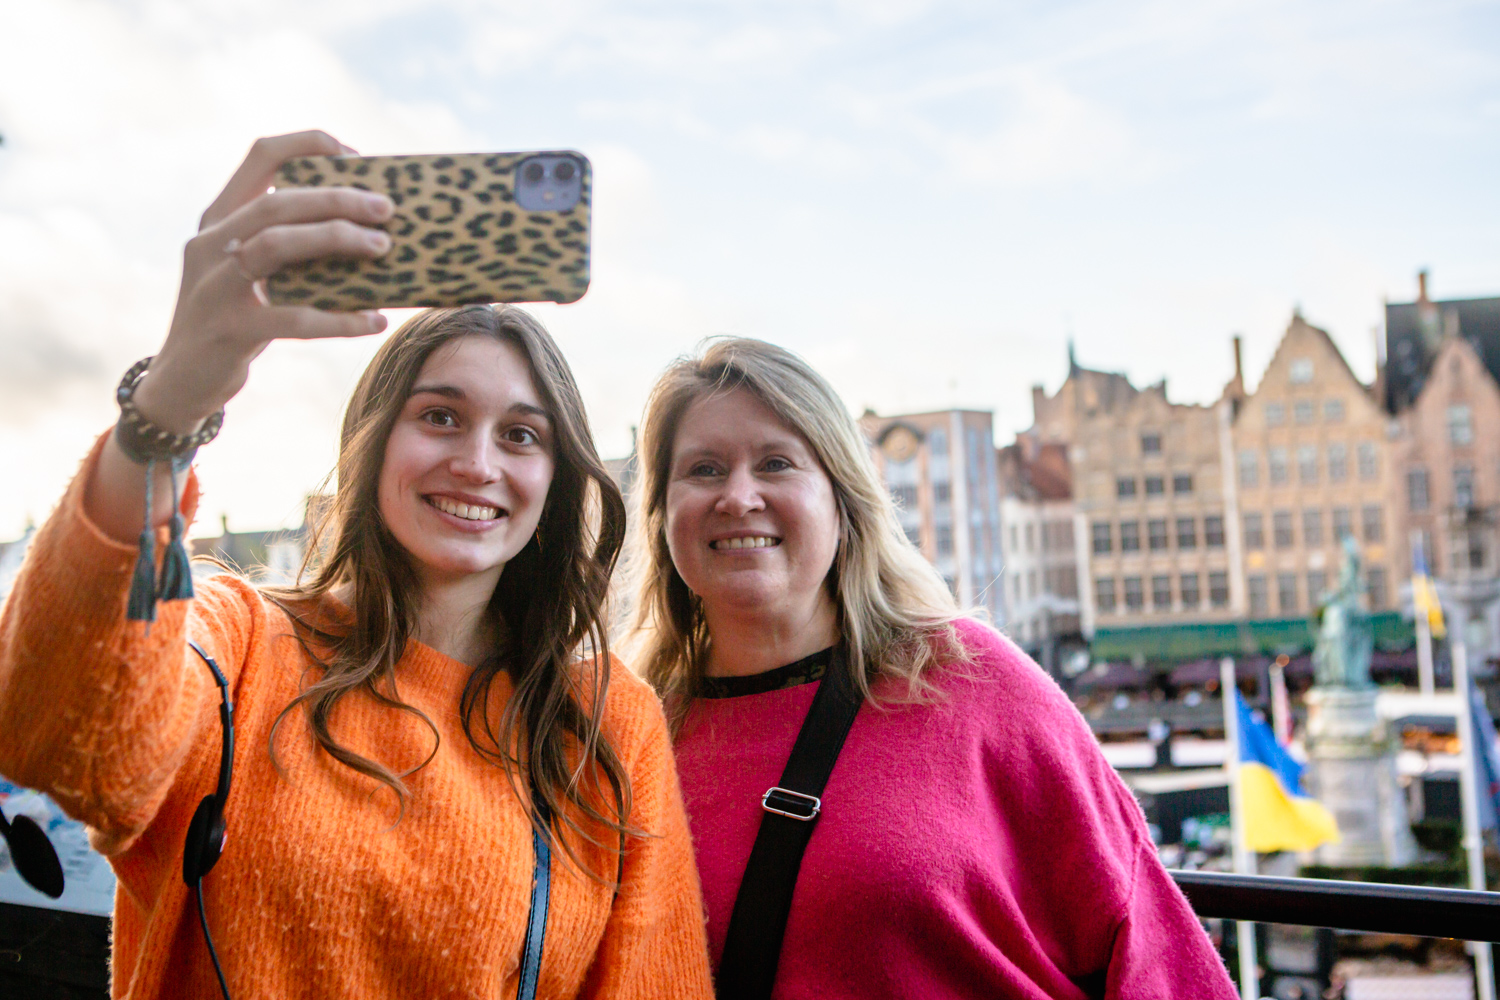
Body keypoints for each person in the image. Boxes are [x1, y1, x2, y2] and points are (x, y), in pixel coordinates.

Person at [0, 132, 713, 999]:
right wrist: (177, 394)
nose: (479, 464)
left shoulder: (607, 720)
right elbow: (55, 733)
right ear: (373, 444)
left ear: (555, 480)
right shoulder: (243, 639)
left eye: (521, 435)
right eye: (440, 417)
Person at [625, 337, 1238, 998]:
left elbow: (1149, 946)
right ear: (662, 512)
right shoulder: (629, 731)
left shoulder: (973, 680)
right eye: (705, 470)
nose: (738, 495)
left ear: (844, 502)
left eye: (776, 462)